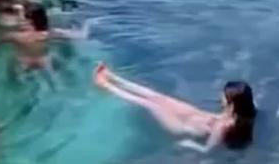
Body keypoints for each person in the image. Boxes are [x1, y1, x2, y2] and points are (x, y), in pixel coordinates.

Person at [94, 64, 257, 150]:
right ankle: (112, 76)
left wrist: (191, 145)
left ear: (232, 103)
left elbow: (207, 149)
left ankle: (107, 86)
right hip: (194, 114)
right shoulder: (241, 114)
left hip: (181, 126)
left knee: (149, 103)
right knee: (158, 96)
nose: (220, 95)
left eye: (224, 95)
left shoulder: (223, 126)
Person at [0, 2, 90, 70]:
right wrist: (87, 23)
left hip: (23, 63)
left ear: (28, 21)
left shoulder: (16, 36)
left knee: (11, 64)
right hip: (44, 62)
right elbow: (81, 35)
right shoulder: (48, 34)